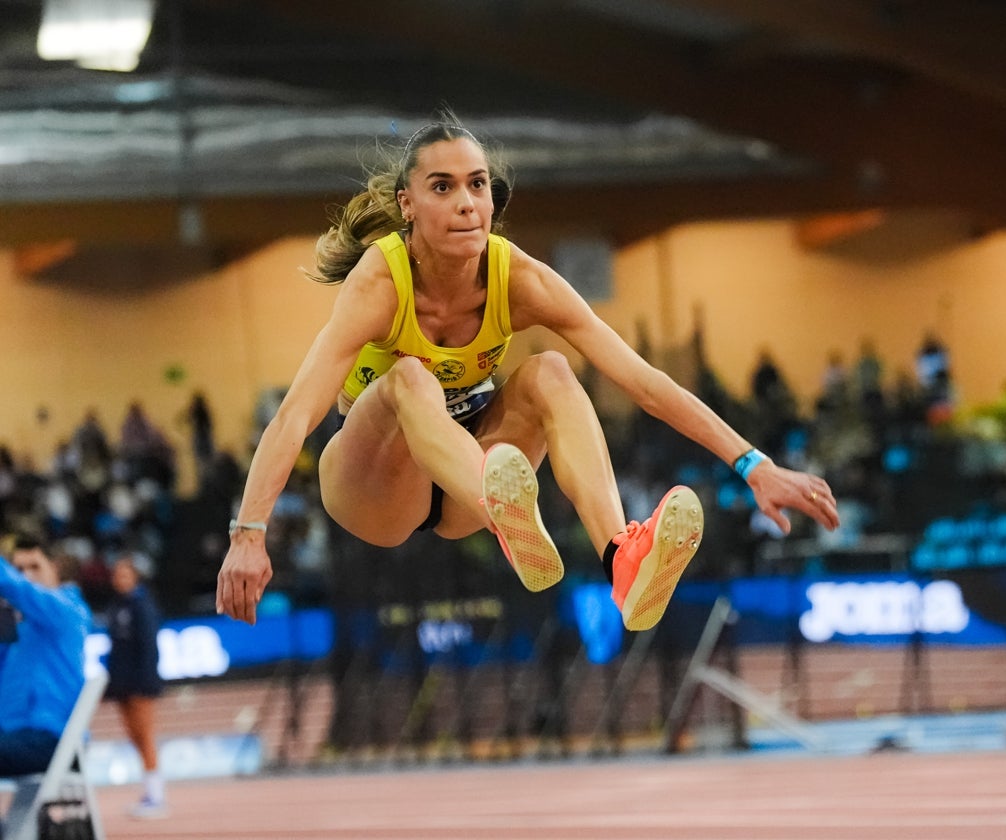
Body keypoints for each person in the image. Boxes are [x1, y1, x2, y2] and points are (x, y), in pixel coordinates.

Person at [215, 113, 839, 631]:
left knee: (552, 373)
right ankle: (502, 502)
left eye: (477, 185)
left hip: (471, 479)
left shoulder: (522, 280)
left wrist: (754, 464)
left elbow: (645, 381)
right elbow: (297, 413)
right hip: (377, 486)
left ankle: (621, 554)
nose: (465, 204)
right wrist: (249, 533)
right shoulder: (379, 282)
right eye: (442, 187)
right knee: (409, 379)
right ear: (407, 204)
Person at [0, 535, 92, 777]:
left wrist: (9, 579)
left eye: (35, 567)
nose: (27, 576)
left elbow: (18, 588)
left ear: (55, 568)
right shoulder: (18, 624)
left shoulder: (67, 609)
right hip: (15, 733)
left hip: (51, 738)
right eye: (19, 569)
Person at [105, 553, 168, 819]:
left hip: (139, 683)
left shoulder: (142, 606)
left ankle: (156, 796)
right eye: (117, 575)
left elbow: (148, 648)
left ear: (135, 577)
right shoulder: (118, 606)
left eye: (125, 575)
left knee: (144, 735)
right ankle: (149, 792)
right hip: (122, 684)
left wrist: (145, 681)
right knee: (134, 737)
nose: (119, 580)